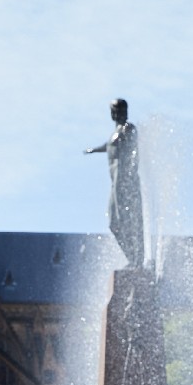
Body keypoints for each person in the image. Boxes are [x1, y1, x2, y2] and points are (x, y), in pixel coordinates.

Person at [85, 97, 145, 269]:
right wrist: (94, 150)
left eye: (117, 110)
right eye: (113, 110)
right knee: (114, 223)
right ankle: (132, 257)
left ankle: (136, 259)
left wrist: (130, 175)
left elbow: (134, 149)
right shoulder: (116, 133)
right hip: (115, 183)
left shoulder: (128, 129)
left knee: (127, 220)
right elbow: (109, 145)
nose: (115, 113)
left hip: (125, 181)